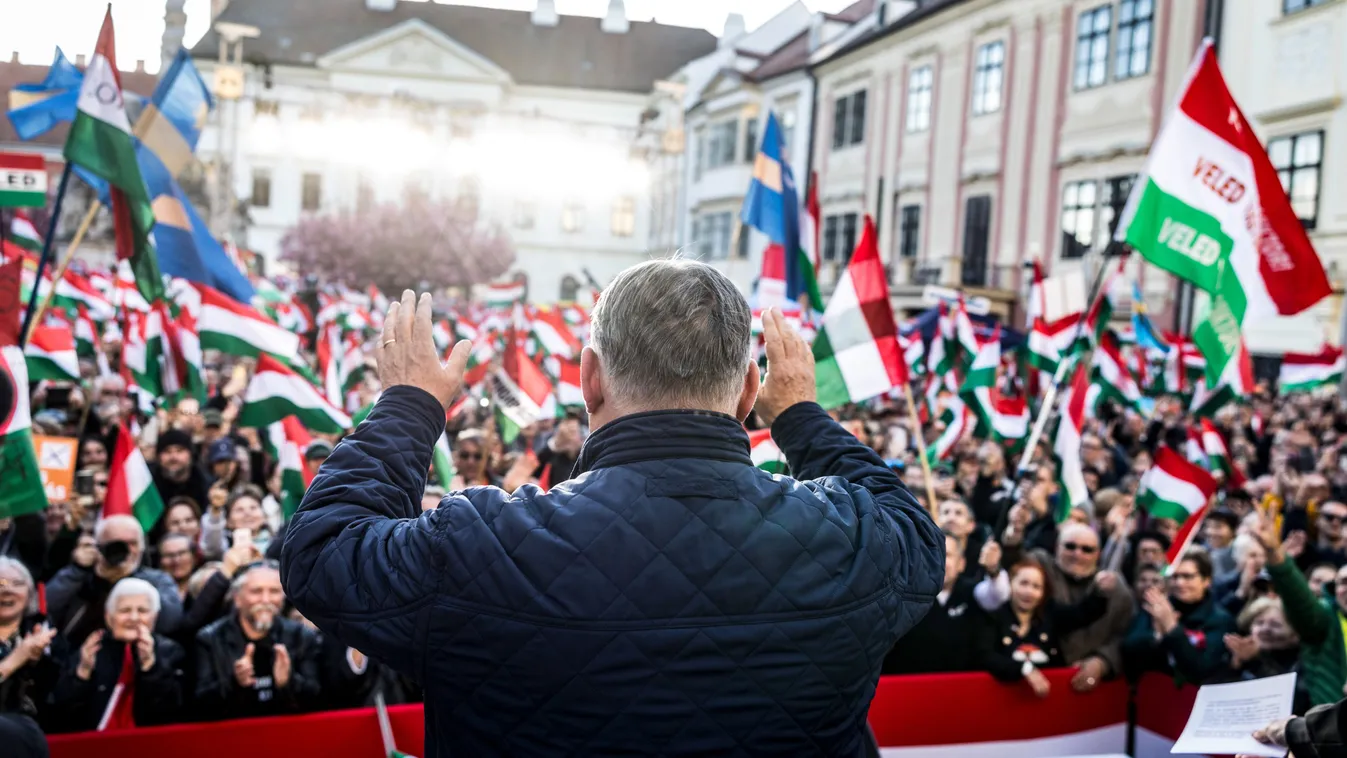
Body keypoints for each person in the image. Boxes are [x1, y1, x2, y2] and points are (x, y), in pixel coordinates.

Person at [282, 273, 944, 756]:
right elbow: (914, 528)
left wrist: (409, 403)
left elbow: (323, 552)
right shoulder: (855, 539)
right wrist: (799, 414)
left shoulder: (483, 542)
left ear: (589, 378)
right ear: (749, 388)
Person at [1000, 522, 1135, 693]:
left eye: (1087, 550)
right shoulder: (1041, 568)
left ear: (1098, 554)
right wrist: (1012, 541)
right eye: (1070, 546)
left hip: (1093, 691)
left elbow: (1125, 635)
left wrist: (1102, 662)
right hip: (1033, 683)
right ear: (1057, 546)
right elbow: (1015, 565)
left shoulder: (1116, 590)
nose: (1077, 554)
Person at [51, 577, 185, 730]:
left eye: (142, 611)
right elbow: (63, 715)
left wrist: (150, 667)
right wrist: (82, 672)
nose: (134, 618)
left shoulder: (170, 651)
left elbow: (171, 713)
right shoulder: (91, 648)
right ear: (108, 616)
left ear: (155, 617)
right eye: (124, 610)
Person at [195, 562, 321, 720]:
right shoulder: (210, 638)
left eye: (274, 591)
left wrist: (288, 682)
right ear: (237, 598)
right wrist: (235, 682)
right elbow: (201, 706)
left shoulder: (302, 636)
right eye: (256, 591)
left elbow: (317, 700)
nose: (266, 600)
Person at [978, 561, 1117, 698]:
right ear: (1010, 584)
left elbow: (1083, 614)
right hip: (1003, 698)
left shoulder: (1050, 612)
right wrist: (1024, 670)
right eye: (1023, 583)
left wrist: (1101, 592)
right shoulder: (994, 616)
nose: (1029, 592)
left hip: (1051, 697)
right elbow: (986, 656)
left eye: (1036, 587)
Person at [46, 515, 182, 645]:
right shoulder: (81, 576)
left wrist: (131, 578)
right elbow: (48, 606)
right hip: (81, 653)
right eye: (117, 544)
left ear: (141, 548)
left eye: (132, 543)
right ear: (98, 547)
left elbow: (171, 621)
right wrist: (77, 570)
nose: (126, 550)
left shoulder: (157, 580)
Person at [1122, 549, 1235, 684]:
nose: (1179, 583)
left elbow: (1202, 668)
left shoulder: (1220, 620)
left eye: (1188, 577)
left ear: (1206, 580)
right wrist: (1157, 635)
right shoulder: (1158, 607)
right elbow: (1128, 648)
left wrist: (1172, 628)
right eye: (1174, 577)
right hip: (1154, 688)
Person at [882, 533, 982, 674]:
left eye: (947, 555)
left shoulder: (975, 595)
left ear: (961, 564)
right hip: (910, 683)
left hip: (962, 684)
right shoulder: (901, 597)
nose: (939, 562)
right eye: (933, 554)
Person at [0, 558, 60, 743]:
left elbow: (61, 696)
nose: (7, 590)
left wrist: (37, 663)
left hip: (35, 738)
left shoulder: (44, 632)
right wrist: (16, 659)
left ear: (30, 594)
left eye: (18, 584)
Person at [150, 429, 212, 512]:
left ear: (190, 455)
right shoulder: (149, 487)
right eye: (167, 451)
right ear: (159, 457)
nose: (173, 457)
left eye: (179, 451)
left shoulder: (206, 486)